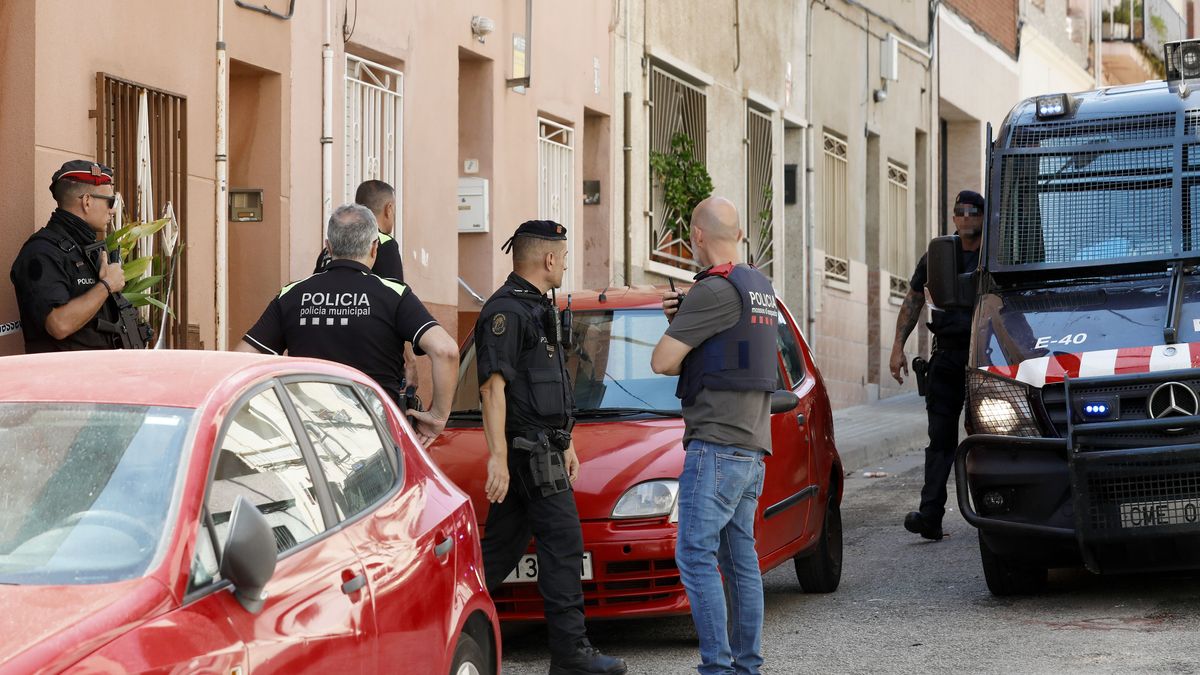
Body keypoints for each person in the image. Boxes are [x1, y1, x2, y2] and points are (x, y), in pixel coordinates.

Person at [475, 220, 626, 675]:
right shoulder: (506, 312)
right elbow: (491, 389)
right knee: (563, 544)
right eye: (562, 255)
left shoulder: (539, 306)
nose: (564, 264)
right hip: (525, 454)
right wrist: (498, 458)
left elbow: (551, 386)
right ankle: (570, 655)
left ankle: (432, 621)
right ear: (547, 259)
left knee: (497, 553)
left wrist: (568, 443)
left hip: (544, 448)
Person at [651, 197, 776, 675]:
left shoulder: (712, 290)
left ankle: (717, 669)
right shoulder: (757, 286)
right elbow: (730, 344)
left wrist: (683, 321)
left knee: (694, 556)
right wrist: (686, 319)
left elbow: (663, 362)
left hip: (716, 446)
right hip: (751, 447)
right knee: (741, 559)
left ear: (696, 236)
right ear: (740, 234)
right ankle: (747, 667)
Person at [236, 203, 457, 446]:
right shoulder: (393, 295)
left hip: (310, 437)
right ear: (375, 248)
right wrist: (437, 416)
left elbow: (241, 361)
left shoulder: (291, 294)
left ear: (328, 247)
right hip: (377, 437)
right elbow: (446, 351)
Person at [889, 189, 985, 541]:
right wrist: (897, 348)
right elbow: (914, 298)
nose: (965, 216)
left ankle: (996, 508)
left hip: (985, 357)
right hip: (947, 355)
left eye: (973, 210)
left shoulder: (995, 251)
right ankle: (930, 515)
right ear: (953, 217)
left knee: (992, 437)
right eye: (959, 211)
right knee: (940, 440)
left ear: (983, 215)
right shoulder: (938, 254)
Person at [9, 160, 136, 353]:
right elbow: (59, 325)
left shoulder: (87, 250)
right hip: (62, 379)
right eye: (110, 202)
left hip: (95, 375)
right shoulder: (41, 252)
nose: (113, 210)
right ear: (87, 201)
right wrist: (107, 285)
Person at [313, 180, 420, 393]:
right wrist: (410, 362)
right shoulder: (384, 244)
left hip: (326, 360)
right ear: (389, 209)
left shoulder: (329, 251)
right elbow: (396, 305)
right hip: (370, 364)